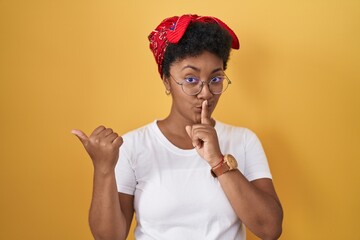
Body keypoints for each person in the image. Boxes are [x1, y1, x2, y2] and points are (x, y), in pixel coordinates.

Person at [72, 14, 283, 240]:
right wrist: (104, 169)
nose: (205, 93)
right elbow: (109, 237)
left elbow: (270, 229)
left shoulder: (243, 140)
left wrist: (218, 161)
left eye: (216, 79)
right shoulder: (132, 145)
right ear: (166, 81)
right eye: (191, 79)